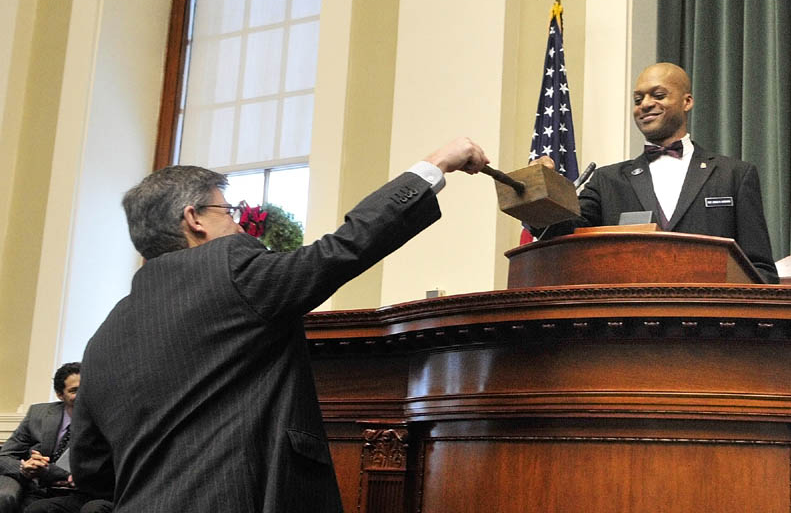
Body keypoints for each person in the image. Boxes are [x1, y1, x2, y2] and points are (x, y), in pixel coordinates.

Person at [69, 137, 489, 512]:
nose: (237, 223)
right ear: (194, 218)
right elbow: (344, 247)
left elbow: (92, 472)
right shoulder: (230, 271)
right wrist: (437, 163)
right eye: (226, 211)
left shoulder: (101, 339)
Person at [534, 62, 778, 283]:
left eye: (658, 95)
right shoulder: (607, 181)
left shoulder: (734, 175)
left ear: (687, 102)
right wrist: (540, 189)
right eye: (638, 99)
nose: (646, 104)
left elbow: (759, 270)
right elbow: (563, 233)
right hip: (629, 324)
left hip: (712, 324)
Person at [0, 364, 80, 512]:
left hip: (73, 492)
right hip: (34, 486)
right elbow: (4, 456)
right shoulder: (38, 414)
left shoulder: (101, 419)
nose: (82, 395)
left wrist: (50, 471)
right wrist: (24, 468)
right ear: (60, 394)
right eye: (74, 390)